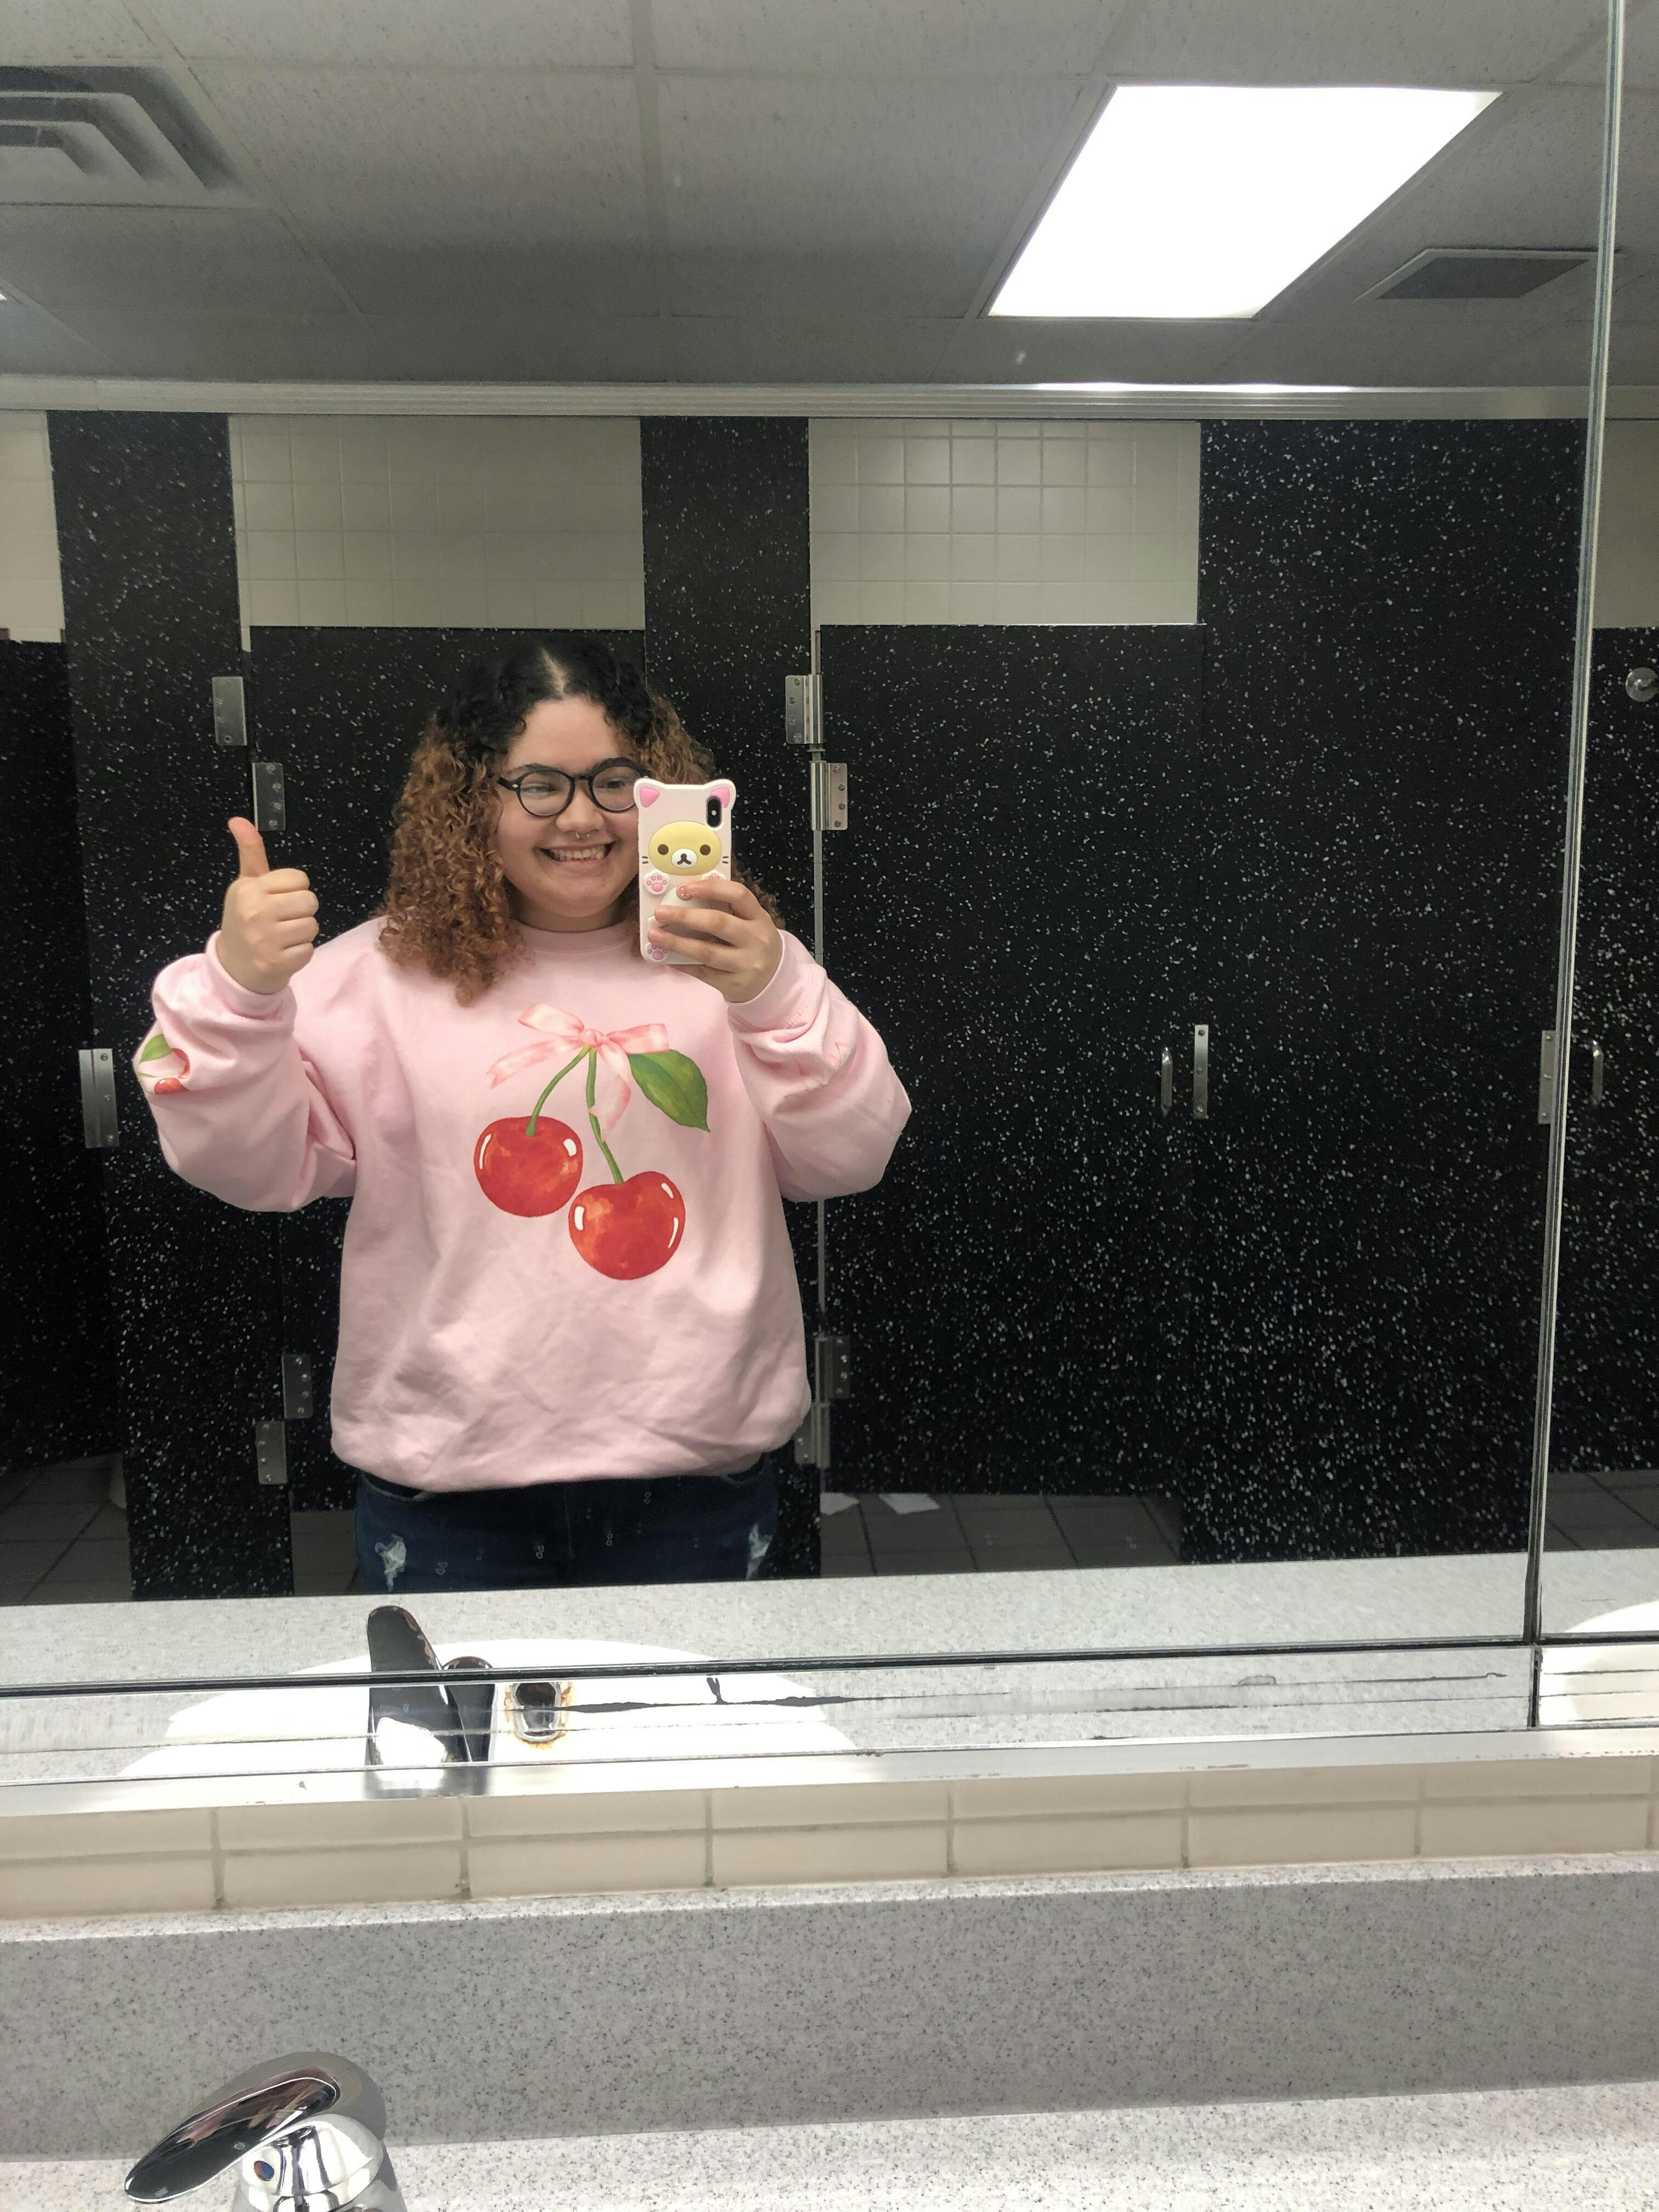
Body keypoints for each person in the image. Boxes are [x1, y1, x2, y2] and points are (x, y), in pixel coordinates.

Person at [133, 633, 910, 1595]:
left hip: (694, 1481)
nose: (582, 818)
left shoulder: (740, 965)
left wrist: (775, 993)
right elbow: (247, 1168)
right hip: (449, 1490)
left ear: (659, 793)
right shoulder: (376, 977)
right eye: (539, 784)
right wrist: (237, 993)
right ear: (473, 802)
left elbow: (853, 1154)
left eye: (615, 781)